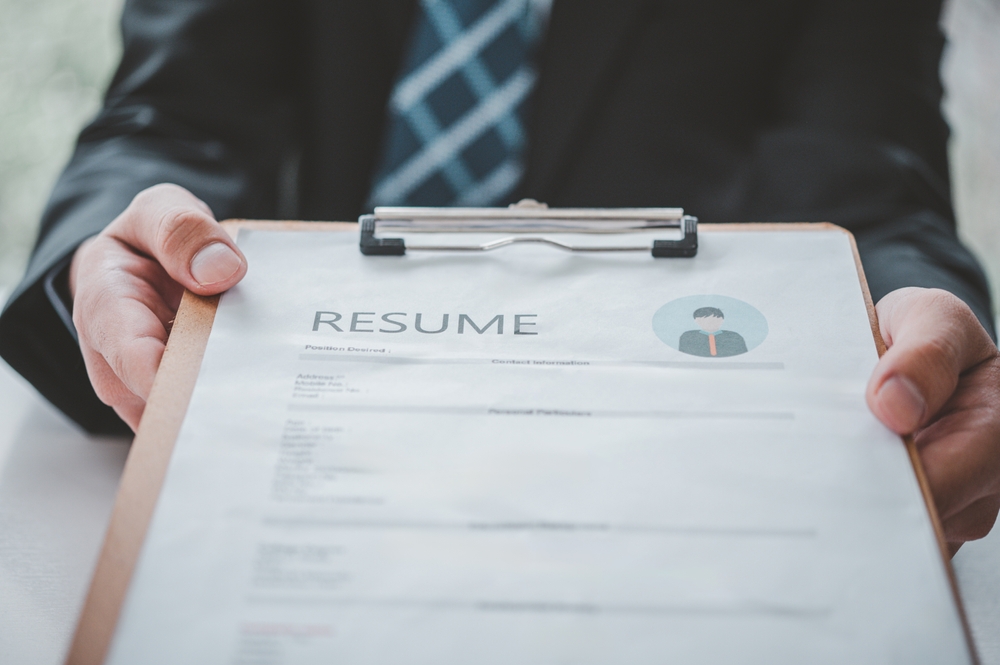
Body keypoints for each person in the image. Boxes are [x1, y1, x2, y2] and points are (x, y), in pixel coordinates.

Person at [1, 0, 998, 553]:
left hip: (667, 474)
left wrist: (912, 310)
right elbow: (171, 120)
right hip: (311, 443)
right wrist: (107, 254)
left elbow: (872, 192)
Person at [678, 307, 748, 358]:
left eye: (715, 319)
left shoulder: (734, 336)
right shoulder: (688, 336)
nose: (710, 322)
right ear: (696, 321)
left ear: (722, 320)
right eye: (705, 319)